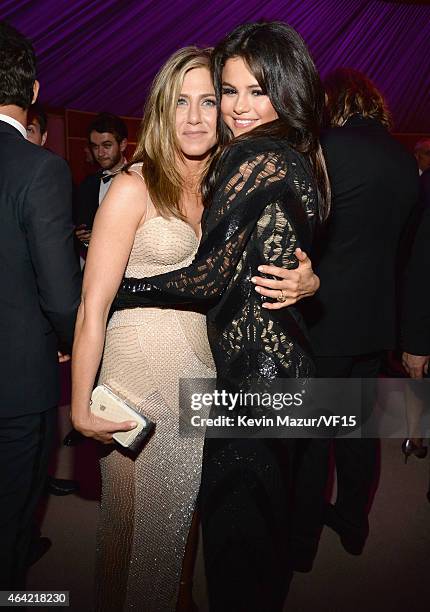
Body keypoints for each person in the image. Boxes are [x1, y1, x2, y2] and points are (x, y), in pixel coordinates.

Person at [113, 21, 329, 611]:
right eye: (228, 92)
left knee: (236, 547)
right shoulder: (298, 156)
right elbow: (278, 255)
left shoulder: (253, 156)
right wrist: (311, 280)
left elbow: (208, 277)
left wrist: (122, 289)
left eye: (256, 91)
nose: (238, 108)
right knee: (263, 539)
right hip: (286, 366)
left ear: (285, 89)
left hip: (254, 381)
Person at [296, 68, 419, 562]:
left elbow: (307, 234)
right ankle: (352, 524)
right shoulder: (403, 159)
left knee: (308, 441)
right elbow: (404, 250)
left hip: (323, 318)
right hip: (376, 322)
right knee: (358, 432)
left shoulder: (324, 149)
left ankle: (300, 543)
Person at [0, 21, 81, 588]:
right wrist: (72, 342)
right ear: (31, 94)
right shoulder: (40, 168)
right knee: (9, 518)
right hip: (15, 380)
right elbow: (59, 293)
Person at [75, 112, 128, 247]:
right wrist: (84, 237)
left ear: (122, 145)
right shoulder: (88, 185)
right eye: (95, 146)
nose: (100, 153)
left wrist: (102, 238)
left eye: (107, 145)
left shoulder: (140, 179)